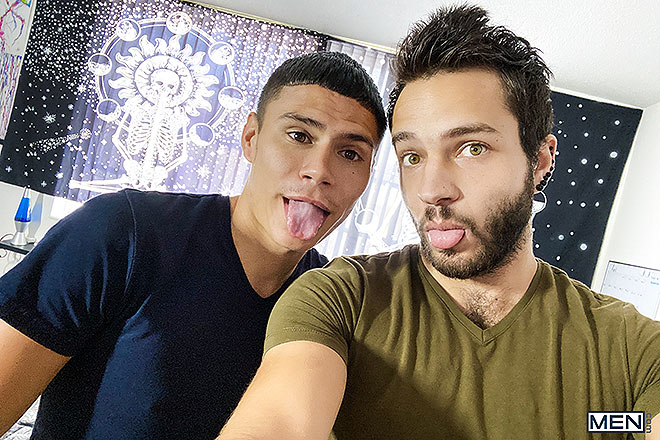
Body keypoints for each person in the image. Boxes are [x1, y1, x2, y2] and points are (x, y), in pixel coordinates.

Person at [218, 5, 660, 440]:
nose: (431, 190)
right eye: (412, 156)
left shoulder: (632, 349)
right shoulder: (340, 298)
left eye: (471, 148)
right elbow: (281, 420)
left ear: (540, 159)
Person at [0, 51, 387, 439]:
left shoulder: (333, 302)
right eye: (299, 136)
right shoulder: (123, 232)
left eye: (349, 153)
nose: (319, 171)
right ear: (251, 138)